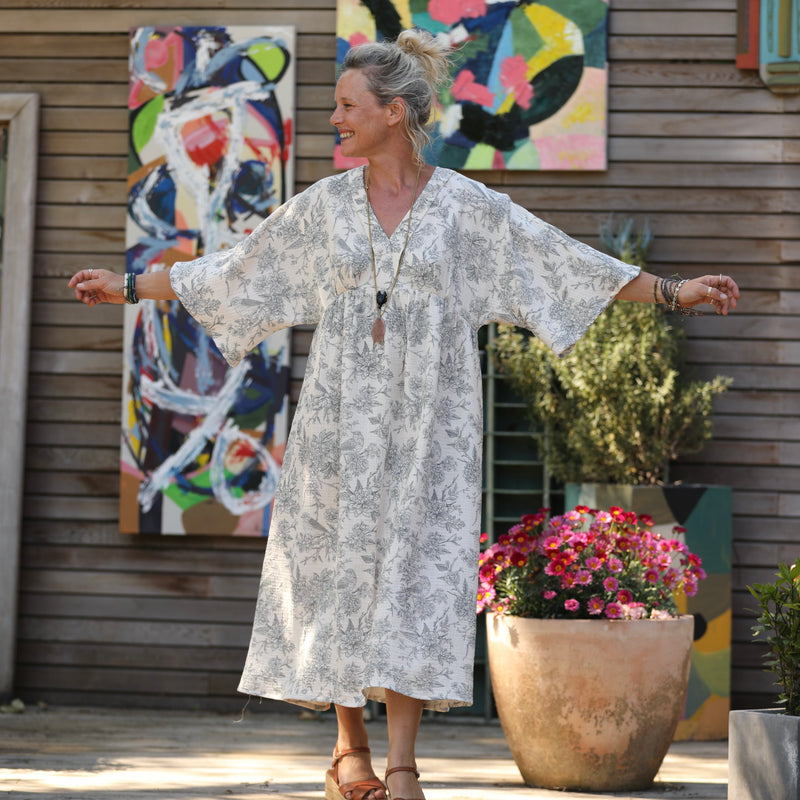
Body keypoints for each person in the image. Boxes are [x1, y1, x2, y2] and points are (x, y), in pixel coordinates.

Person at [70, 29, 740, 800]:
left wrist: (672, 291)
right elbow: (237, 271)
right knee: (335, 571)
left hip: (433, 429)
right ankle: (349, 751)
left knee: (417, 579)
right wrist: (129, 287)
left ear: (393, 112)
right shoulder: (325, 207)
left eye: (347, 105)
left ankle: (405, 765)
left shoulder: (467, 209)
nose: (335, 118)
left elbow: (559, 262)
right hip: (339, 425)